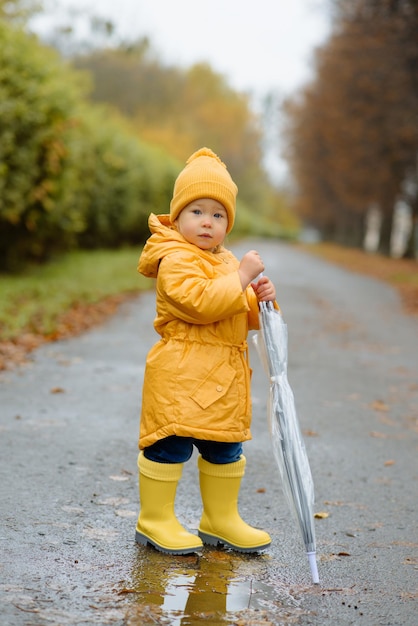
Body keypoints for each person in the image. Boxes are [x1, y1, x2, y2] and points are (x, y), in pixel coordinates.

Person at [135, 147, 278, 555]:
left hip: (223, 379)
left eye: (218, 215)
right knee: (170, 445)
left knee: (225, 448)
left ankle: (220, 518)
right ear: (177, 217)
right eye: (197, 211)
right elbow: (201, 302)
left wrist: (260, 299)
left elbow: (237, 313)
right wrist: (243, 276)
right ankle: (155, 518)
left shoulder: (225, 260)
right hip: (181, 375)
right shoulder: (174, 258)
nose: (207, 222)